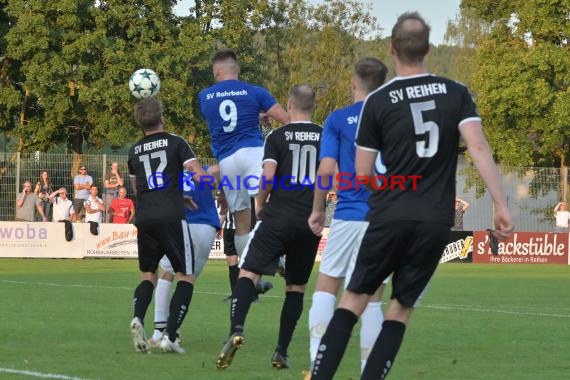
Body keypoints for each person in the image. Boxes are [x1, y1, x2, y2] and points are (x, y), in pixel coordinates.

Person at [310, 12, 514, 380]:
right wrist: (500, 204)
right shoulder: (456, 93)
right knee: (399, 309)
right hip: (435, 221)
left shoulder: (378, 101)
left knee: (353, 300)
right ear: (429, 49)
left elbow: (362, 173)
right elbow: (479, 147)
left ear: (392, 49)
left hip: (388, 215)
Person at [216, 84, 322, 370]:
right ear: (313, 106)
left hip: (277, 216)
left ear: (289, 104)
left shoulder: (277, 135)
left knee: (248, 272)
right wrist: (319, 210)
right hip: (308, 221)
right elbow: (328, 178)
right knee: (296, 288)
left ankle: (236, 329)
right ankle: (281, 352)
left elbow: (268, 176)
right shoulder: (325, 136)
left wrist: (260, 205)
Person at [306, 57, 388, 376]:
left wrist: (317, 209)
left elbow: (326, 170)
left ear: (353, 82)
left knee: (327, 288)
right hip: (383, 219)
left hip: (348, 215)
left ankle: (317, 365)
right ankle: (370, 369)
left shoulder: (338, 119)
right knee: (373, 299)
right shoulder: (394, 119)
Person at [127, 96, 208, 354]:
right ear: (162, 116)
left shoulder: (134, 150)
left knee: (148, 275)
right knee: (186, 275)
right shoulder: (176, 142)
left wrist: (174, 194)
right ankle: (171, 337)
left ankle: (138, 317)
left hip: (146, 216)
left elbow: (138, 189)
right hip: (172, 217)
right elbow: (197, 174)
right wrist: (215, 179)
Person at [198, 48, 289, 263]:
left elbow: (227, 118)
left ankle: (248, 271)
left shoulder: (205, 96)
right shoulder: (255, 92)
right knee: (272, 202)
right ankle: (280, 259)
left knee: (240, 221)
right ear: (236, 70)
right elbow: (287, 119)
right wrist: (262, 115)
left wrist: (255, 117)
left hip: (227, 161)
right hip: (253, 153)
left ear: (217, 73)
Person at [148, 165, 222, 347]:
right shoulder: (206, 171)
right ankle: (173, 333)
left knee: (167, 274)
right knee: (187, 281)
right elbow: (220, 170)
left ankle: (159, 332)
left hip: (182, 226)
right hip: (206, 227)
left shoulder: (168, 177)